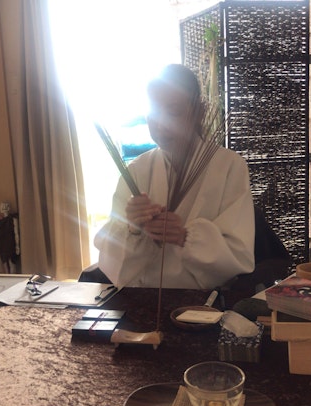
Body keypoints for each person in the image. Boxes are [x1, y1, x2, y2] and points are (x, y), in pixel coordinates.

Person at [94, 64, 254, 289]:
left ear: (200, 111)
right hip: (144, 296)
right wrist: (132, 227)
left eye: (174, 112)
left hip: (205, 301)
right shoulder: (138, 169)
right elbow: (110, 260)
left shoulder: (229, 166)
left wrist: (184, 237)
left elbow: (239, 253)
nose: (160, 125)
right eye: (153, 112)